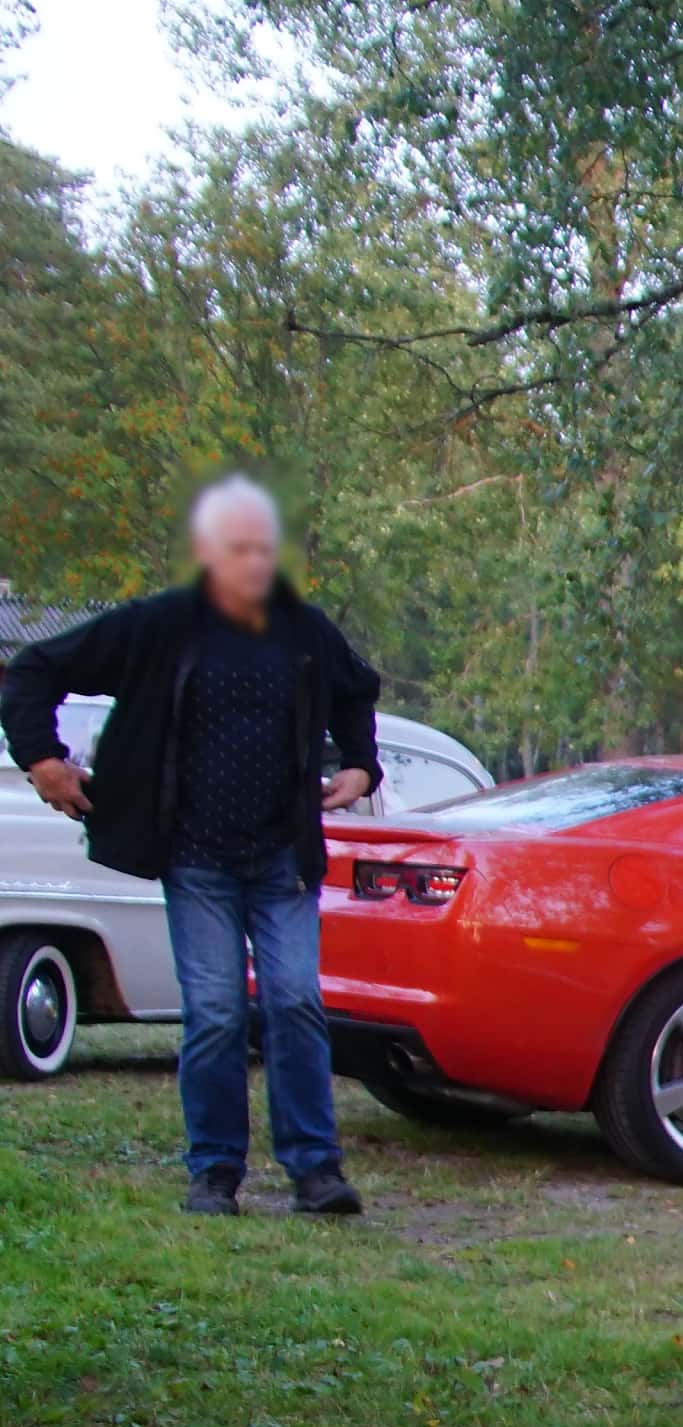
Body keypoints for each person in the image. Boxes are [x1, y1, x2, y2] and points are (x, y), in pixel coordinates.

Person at [3, 476, 383, 1215]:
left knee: (295, 1002)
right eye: (239, 549)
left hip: (281, 858)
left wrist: (362, 762)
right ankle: (214, 1172)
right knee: (214, 1012)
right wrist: (41, 758)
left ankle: (316, 1172)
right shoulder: (159, 626)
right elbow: (34, 669)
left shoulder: (304, 632)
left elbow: (354, 690)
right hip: (197, 858)